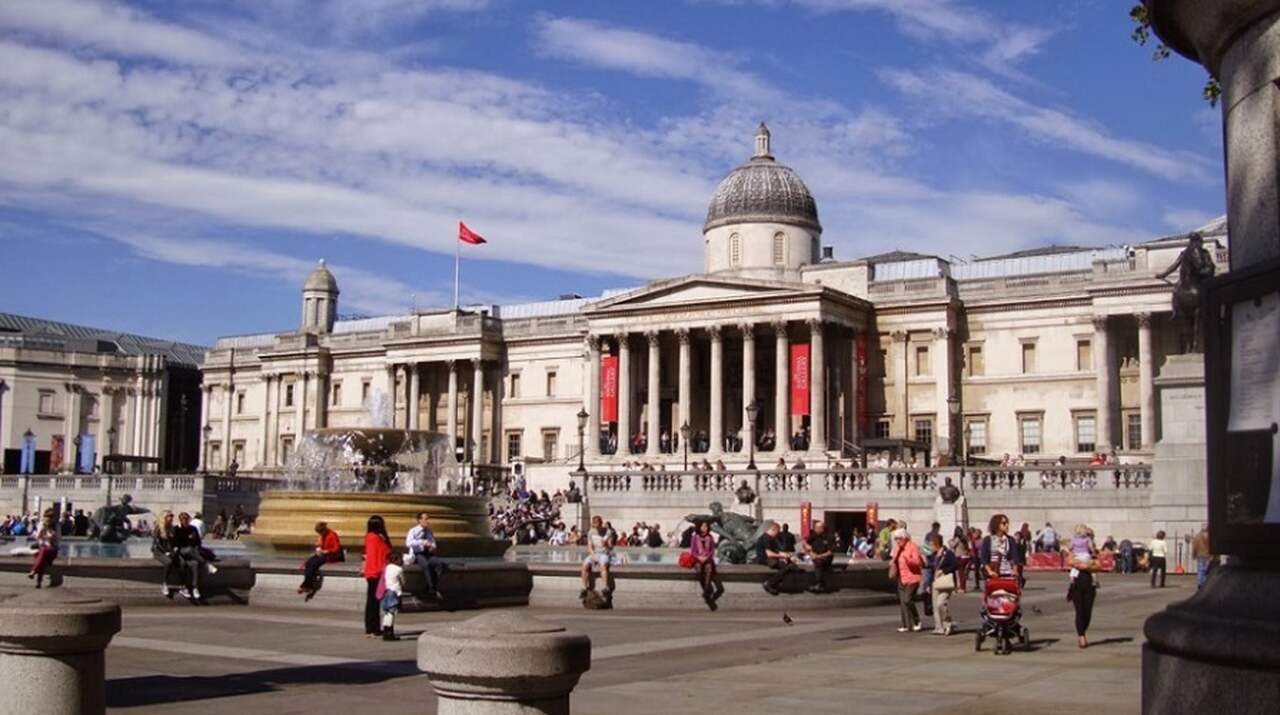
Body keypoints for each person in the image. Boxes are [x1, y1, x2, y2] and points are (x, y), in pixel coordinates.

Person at [1066, 524, 1100, 649]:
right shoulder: (1085, 547)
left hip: (1089, 582)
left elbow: (1098, 565)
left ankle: (1083, 629)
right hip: (1077, 583)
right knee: (1079, 611)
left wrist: (1087, 565)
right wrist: (1082, 564)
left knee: (1087, 612)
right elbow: (1069, 561)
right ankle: (1081, 636)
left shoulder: (1079, 545)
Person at [363, 515, 393, 638]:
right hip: (377, 573)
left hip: (371, 572)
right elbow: (387, 551)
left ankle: (370, 628)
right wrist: (385, 538)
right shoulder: (376, 538)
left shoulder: (369, 537)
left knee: (371, 602)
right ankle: (374, 628)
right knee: (375, 602)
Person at [406, 512, 447, 599]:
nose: (427, 521)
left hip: (428, 554)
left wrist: (432, 547)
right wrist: (422, 542)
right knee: (426, 565)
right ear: (419, 520)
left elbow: (433, 544)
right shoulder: (413, 531)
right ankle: (431, 588)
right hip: (418, 554)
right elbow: (408, 543)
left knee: (440, 564)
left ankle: (434, 585)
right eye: (425, 519)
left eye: (428, 519)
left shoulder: (429, 531)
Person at [889, 528, 923, 632]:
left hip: (912, 578)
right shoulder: (897, 548)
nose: (897, 541)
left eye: (898, 539)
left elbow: (918, 562)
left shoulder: (913, 547)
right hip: (901, 578)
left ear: (904, 538)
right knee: (903, 602)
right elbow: (893, 559)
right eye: (896, 539)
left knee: (908, 599)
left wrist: (909, 560)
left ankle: (917, 620)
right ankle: (906, 625)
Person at [300, 521, 342, 600]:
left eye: (320, 532)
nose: (319, 534)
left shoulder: (332, 535)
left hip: (331, 555)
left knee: (313, 565)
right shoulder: (323, 535)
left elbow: (336, 549)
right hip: (323, 553)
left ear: (324, 530)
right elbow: (321, 544)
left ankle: (306, 586)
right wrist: (318, 548)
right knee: (308, 563)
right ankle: (307, 585)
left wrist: (326, 551)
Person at [757, 522, 800, 595]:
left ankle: (777, 583)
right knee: (788, 567)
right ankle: (769, 583)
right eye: (777, 531)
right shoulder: (766, 538)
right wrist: (783, 556)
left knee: (791, 566)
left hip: (769, 559)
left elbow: (777, 551)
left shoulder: (770, 538)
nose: (778, 534)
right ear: (773, 529)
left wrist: (788, 555)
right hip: (765, 559)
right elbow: (769, 554)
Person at [689, 520, 723, 609]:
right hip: (697, 559)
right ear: (699, 527)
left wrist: (706, 557)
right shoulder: (695, 537)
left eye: (706, 527)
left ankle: (707, 590)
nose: (705, 528)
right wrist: (699, 557)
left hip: (707, 559)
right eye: (703, 526)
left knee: (708, 567)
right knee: (699, 570)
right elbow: (693, 551)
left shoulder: (710, 537)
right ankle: (707, 592)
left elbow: (712, 550)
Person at [580, 515, 615, 600]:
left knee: (603, 565)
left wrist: (606, 543)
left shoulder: (608, 532)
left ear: (601, 523)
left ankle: (606, 587)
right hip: (594, 553)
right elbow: (589, 546)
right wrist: (593, 555)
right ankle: (584, 587)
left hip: (604, 553)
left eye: (598, 523)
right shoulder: (591, 532)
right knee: (585, 565)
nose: (596, 525)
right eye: (594, 523)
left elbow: (611, 547)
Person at [927, 532, 957, 635]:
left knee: (941, 603)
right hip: (935, 582)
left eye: (931, 544)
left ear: (936, 544)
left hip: (946, 582)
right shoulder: (933, 555)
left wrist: (943, 571)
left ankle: (948, 623)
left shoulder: (947, 553)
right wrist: (927, 584)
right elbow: (930, 569)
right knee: (935, 606)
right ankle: (939, 627)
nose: (930, 547)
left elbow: (955, 565)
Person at [979, 513, 1023, 580]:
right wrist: (989, 571)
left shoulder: (1010, 540)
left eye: (1007, 523)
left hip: (1008, 572)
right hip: (993, 573)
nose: (1007, 525)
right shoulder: (988, 540)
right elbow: (983, 558)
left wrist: (1015, 570)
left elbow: (1015, 557)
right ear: (997, 524)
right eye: (1004, 523)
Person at [27, 510, 59, 588]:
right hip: (43, 548)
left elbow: (57, 541)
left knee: (42, 553)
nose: (48, 520)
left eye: (50, 518)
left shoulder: (57, 526)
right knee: (42, 557)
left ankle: (34, 572)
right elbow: (37, 537)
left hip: (52, 548)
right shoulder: (42, 524)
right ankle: (38, 582)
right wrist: (42, 531)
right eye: (47, 518)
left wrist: (51, 535)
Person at [378, 550, 405, 641]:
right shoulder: (399, 569)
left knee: (386, 612)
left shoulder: (387, 567)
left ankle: (385, 630)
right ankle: (389, 633)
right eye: (401, 559)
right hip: (394, 592)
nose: (402, 561)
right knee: (391, 612)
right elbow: (402, 582)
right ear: (396, 560)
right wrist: (400, 594)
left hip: (386, 591)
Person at [804, 521, 835, 594]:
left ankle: (819, 584)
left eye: (817, 528)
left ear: (822, 528)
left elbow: (830, 552)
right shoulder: (813, 535)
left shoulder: (830, 537)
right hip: (814, 555)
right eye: (815, 528)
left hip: (825, 557)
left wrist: (818, 556)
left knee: (819, 562)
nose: (815, 529)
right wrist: (809, 550)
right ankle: (819, 584)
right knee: (800, 555)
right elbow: (805, 541)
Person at [1192, 525, 1213, 589]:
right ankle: (1205, 582)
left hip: (1200, 555)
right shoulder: (1210, 536)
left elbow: (1194, 547)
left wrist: (1194, 555)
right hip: (1207, 555)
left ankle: (1200, 583)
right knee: (1206, 570)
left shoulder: (1197, 536)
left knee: (1200, 569)